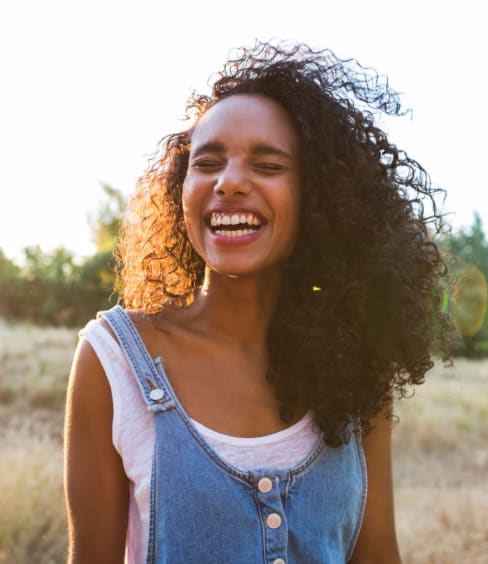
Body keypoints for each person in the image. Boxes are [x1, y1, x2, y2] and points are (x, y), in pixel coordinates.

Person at [64, 41, 450, 563]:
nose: (229, 183)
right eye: (208, 163)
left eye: (267, 165)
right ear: (183, 188)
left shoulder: (359, 365)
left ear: (319, 195)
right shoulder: (115, 359)